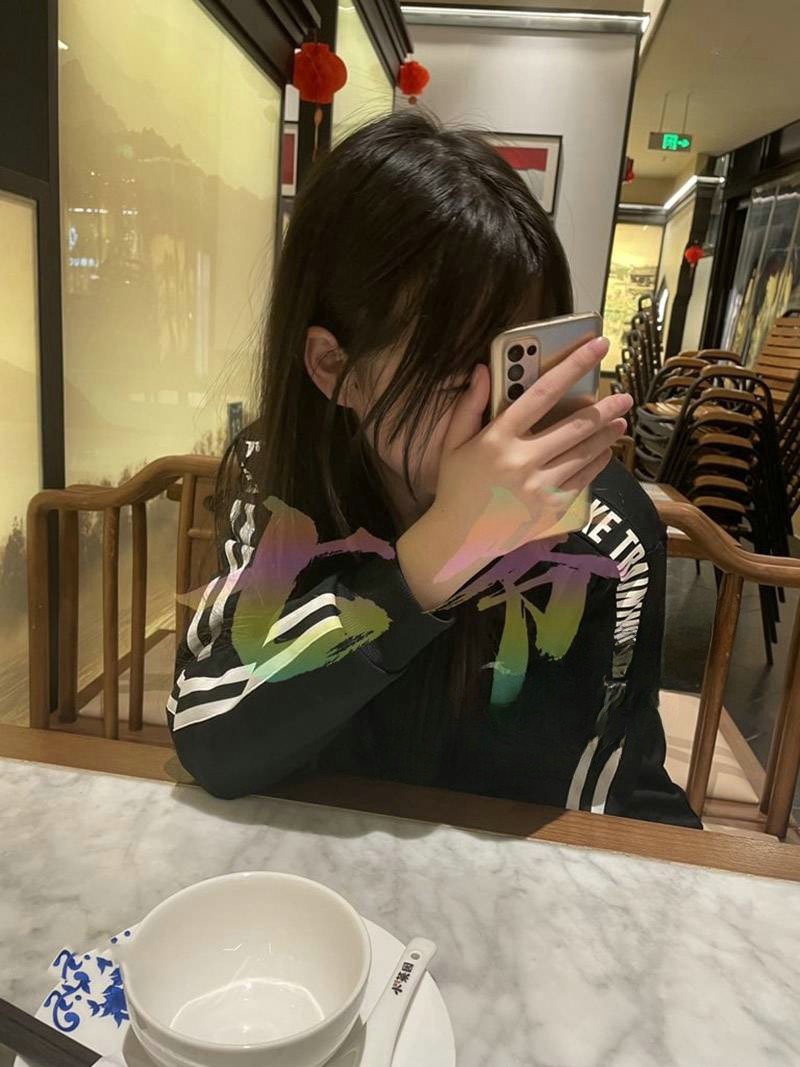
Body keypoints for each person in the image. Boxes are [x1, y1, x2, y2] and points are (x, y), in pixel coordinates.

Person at [166, 109, 701, 829]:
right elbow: (211, 735)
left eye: (514, 360)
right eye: (456, 370)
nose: (499, 415)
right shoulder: (283, 482)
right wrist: (441, 553)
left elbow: (585, 808)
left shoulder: (601, 529)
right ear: (335, 368)